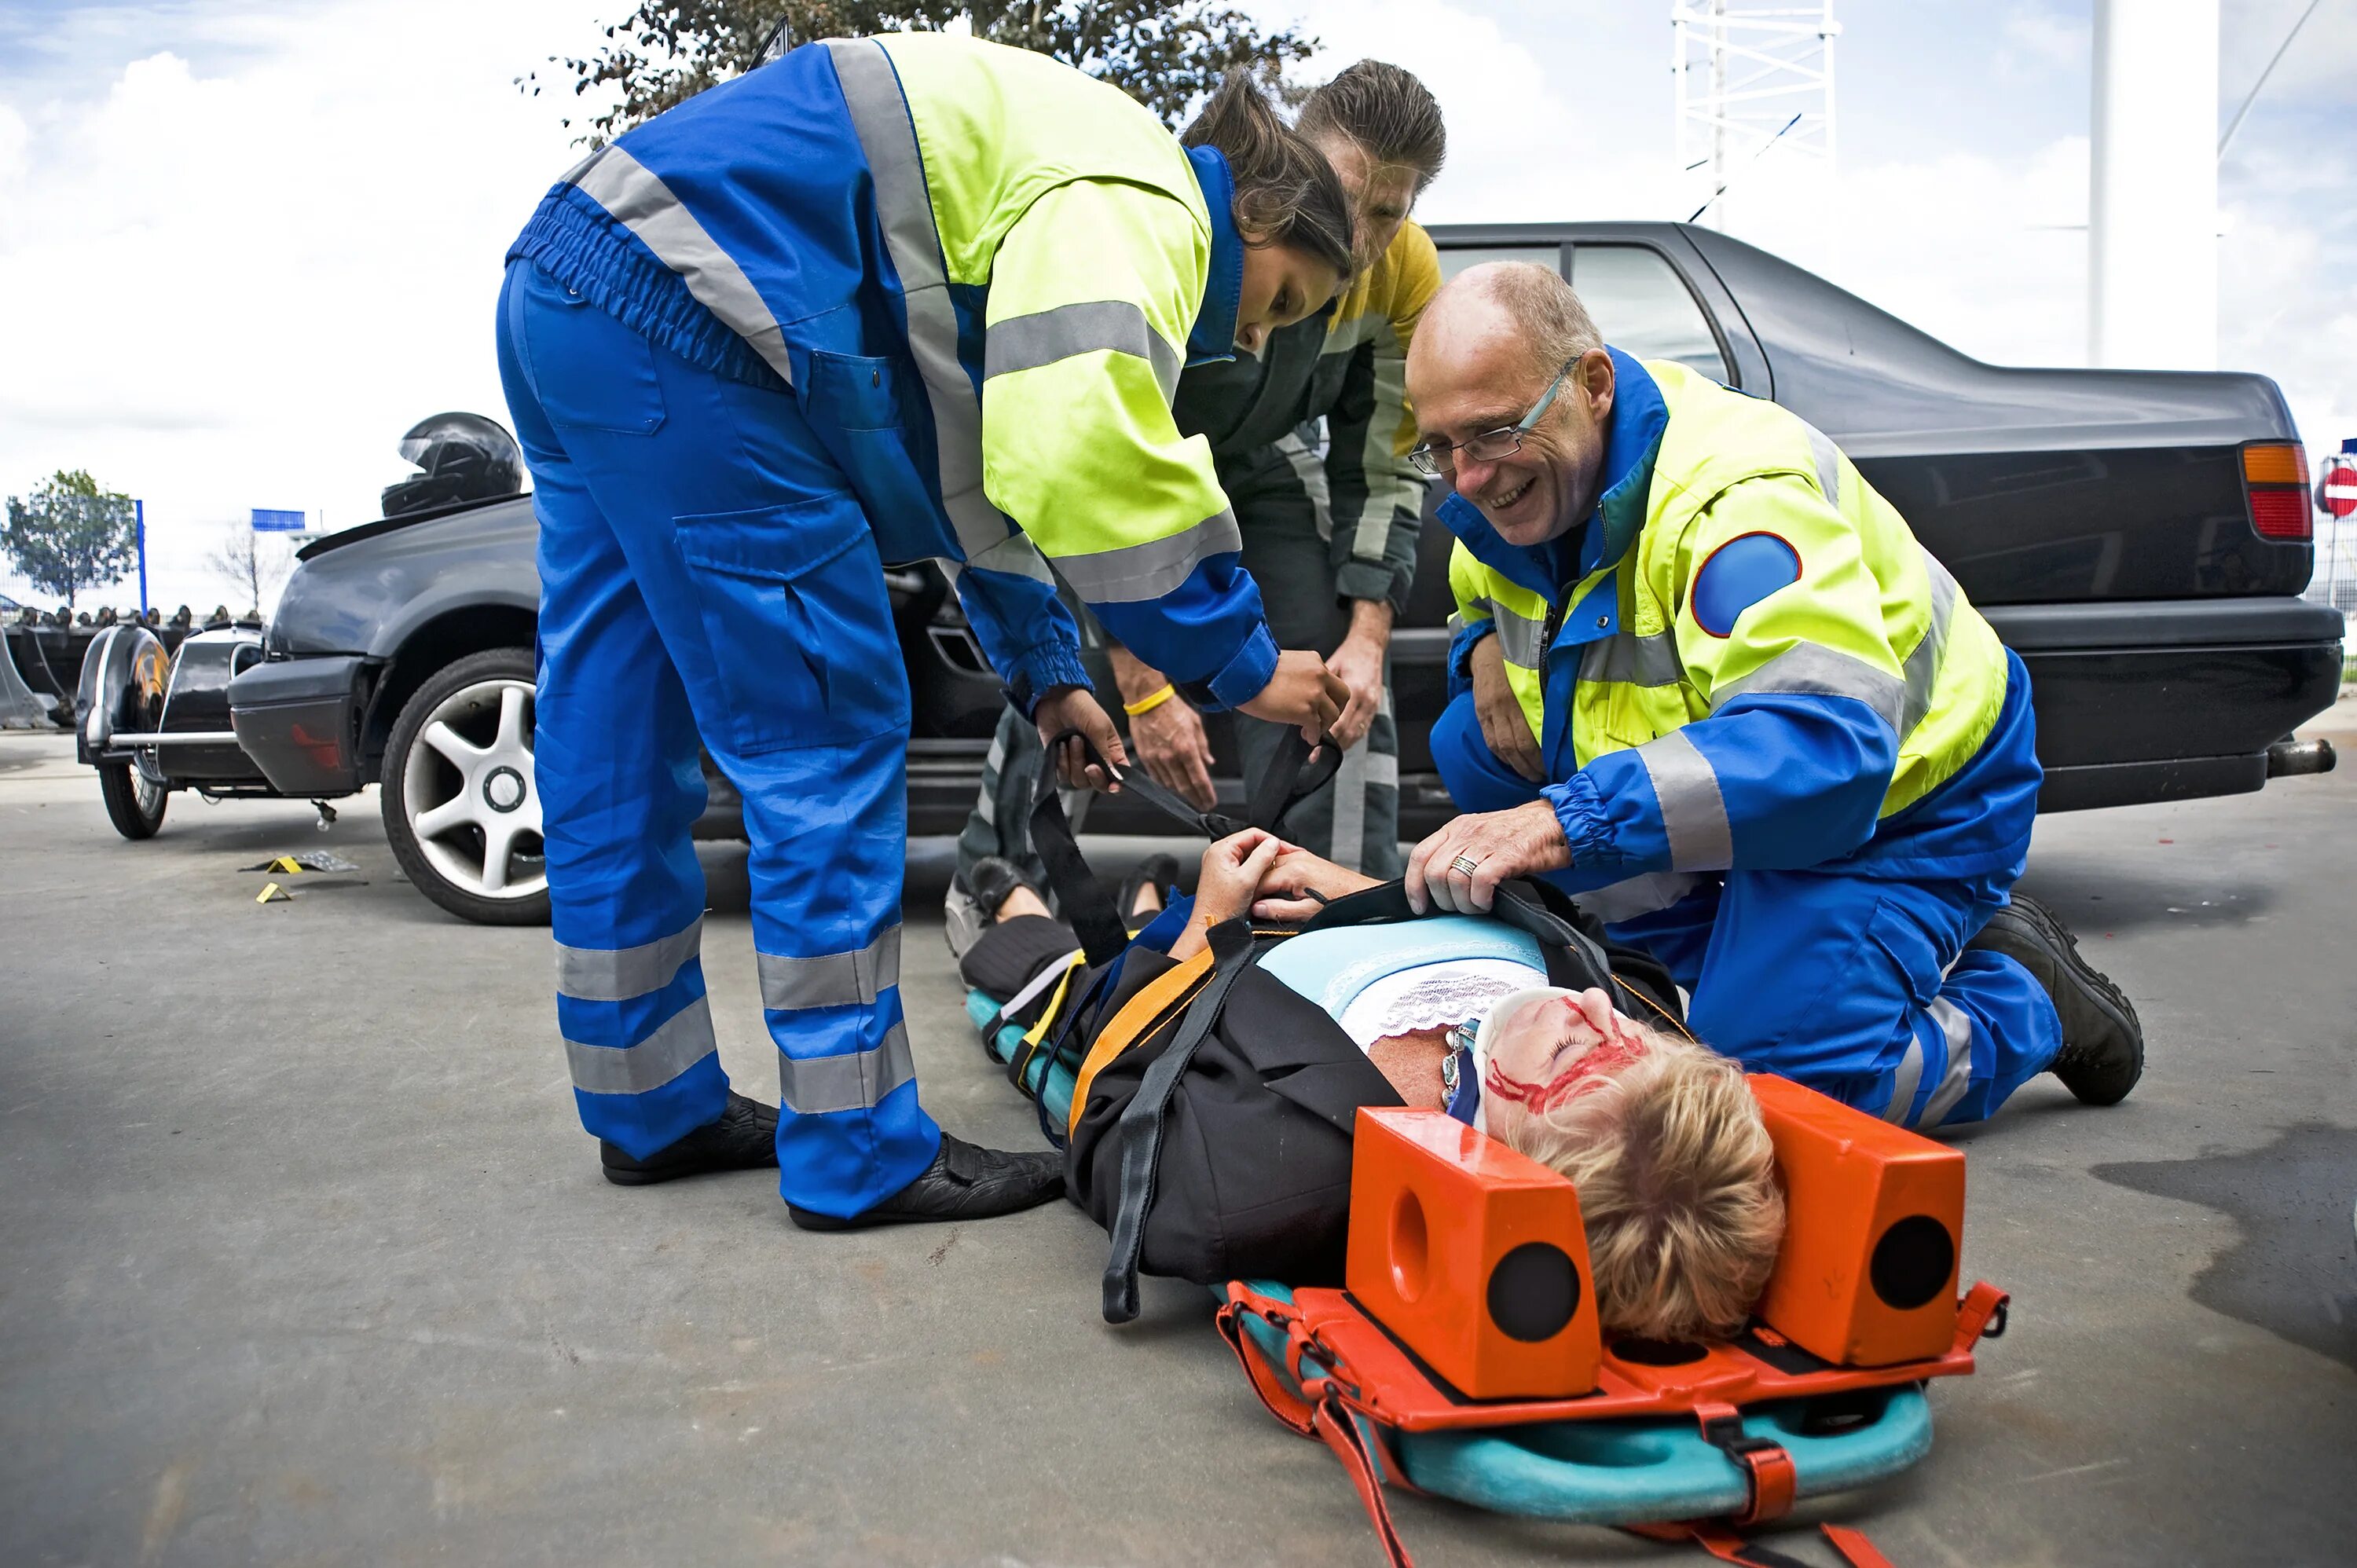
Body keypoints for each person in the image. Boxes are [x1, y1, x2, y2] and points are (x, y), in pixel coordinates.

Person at [497, 33, 1354, 1230]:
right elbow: (1087, 453)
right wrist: (1246, 667)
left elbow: (975, 473)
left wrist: (1052, 676)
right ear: (1255, 209)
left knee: (618, 736)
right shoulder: (1149, 198)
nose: (1250, 340)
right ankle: (858, 1153)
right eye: (1283, 301)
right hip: (706, 319)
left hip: (573, 287)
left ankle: (651, 1106)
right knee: (825, 733)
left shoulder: (1056, 171)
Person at [1395, 262, 2144, 1133]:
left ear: (1592, 385)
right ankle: (1738, 976)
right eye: (1438, 446)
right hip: (1757, 787)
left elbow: (1822, 741)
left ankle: (2024, 998)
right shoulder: (1529, 481)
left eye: (1490, 436)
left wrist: (1559, 821)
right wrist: (1477, 645)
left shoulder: (1732, 501)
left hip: (1904, 795)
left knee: (1771, 1099)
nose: (1466, 482)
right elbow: (1474, 575)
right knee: (1475, 748)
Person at [948, 60, 1448, 940]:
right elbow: (1090, 465)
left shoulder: (1407, 277)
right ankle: (998, 876)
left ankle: (1323, 909)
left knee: (1328, 669)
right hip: (1126, 442)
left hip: (1264, 464)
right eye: (1343, 195)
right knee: (1072, 654)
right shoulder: (1189, 222)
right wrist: (1146, 685)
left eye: (1387, 214)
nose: (1361, 239)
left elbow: (1382, 463)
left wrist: (1366, 634)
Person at [961, 834, 1783, 1343]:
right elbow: (1591, 949)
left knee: (1049, 965)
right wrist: (1359, 889)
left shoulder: (1265, 1181)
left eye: (1575, 1042)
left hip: (1183, 971)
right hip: (1331, 899)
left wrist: (1207, 925)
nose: (1601, 1007)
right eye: (1635, 1036)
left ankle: (1014, 898)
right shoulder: (1651, 1077)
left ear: (1514, 1166)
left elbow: (1106, 1122)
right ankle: (1147, 896)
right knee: (1163, 902)